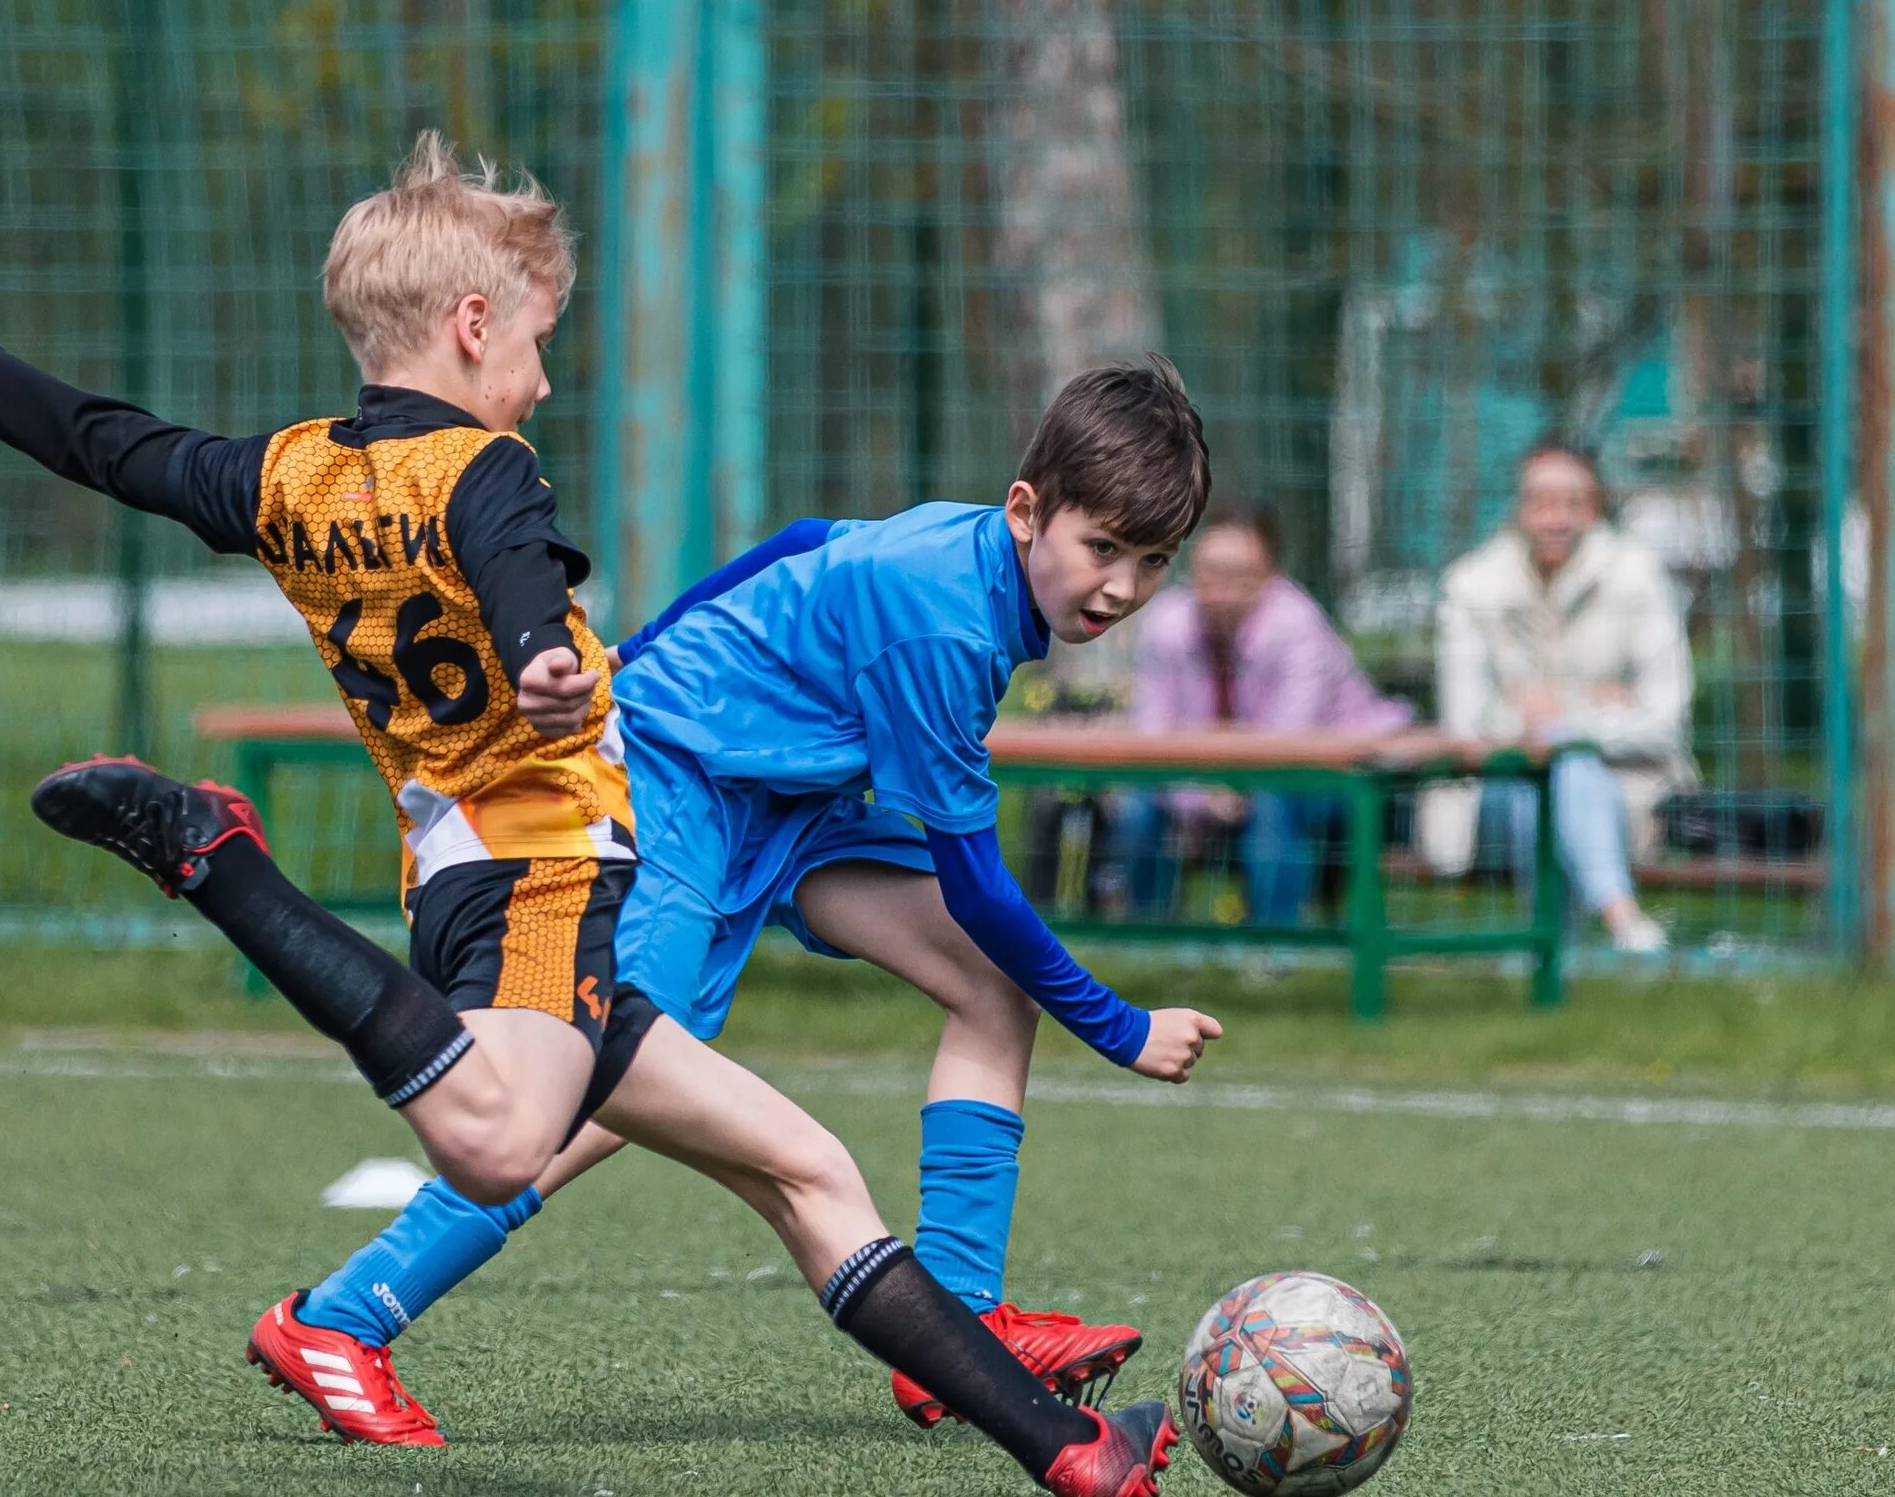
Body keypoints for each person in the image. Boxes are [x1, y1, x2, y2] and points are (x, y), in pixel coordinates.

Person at [0, 136, 1183, 1497]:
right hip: (556, 873)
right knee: (510, 1139)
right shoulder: (491, 472)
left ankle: (1060, 1441)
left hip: (495, 856)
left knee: (811, 1170)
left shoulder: (280, 474)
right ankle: (237, 914)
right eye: (541, 345)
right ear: (473, 323)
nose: (546, 383)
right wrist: (544, 656)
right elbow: (505, 551)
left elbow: (78, 433)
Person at [276, 359, 1226, 1439]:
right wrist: (1119, 1027)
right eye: (1102, 548)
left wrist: (649, 640)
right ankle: (345, 1316)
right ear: (1026, 512)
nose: (1119, 587)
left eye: (1152, 562)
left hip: (787, 797)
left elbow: (807, 538)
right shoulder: (945, 622)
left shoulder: (974, 558)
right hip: (682, 781)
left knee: (991, 991)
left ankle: (953, 1336)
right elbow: (977, 885)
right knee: (604, 1070)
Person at [1420, 440, 1691, 954]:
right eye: (1539, 502)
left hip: (1624, 781)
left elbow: (1666, 719)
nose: (1555, 518)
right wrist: (1594, 708)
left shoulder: (1641, 577)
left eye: (1573, 503)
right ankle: (1622, 918)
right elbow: (1464, 723)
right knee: (1543, 771)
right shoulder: (1470, 585)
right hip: (1496, 783)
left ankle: (1548, 951)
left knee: (1559, 759)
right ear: (1518, 508)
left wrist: (1563, 716)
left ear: (1596, 508)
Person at [1113, 502, 1412, 924]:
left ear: (1270, 576)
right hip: (1215, 774)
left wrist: (1230, 788)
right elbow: (1151, 734)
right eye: (1209, 573)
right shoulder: (1166, 624)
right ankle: (1146, 934)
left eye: (1239, 576)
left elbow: (1288, 743)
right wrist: (1199, 795)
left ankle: (1275, 942)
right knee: (1142, 798)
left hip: (1341, 778)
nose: (1221, 591)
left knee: (1275, 797)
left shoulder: (1298, 623)